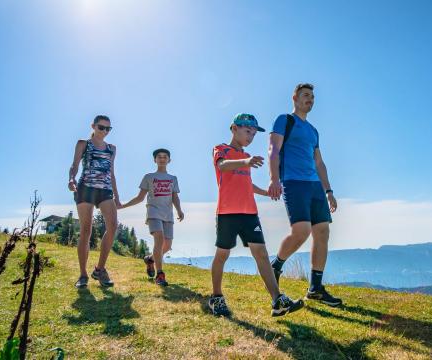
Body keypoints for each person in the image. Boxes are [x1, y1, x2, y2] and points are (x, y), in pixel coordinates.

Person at [208, 113, 305, 317]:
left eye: (253, 133)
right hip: (228, 212)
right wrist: (246, 161)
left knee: (261, 253)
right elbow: (222, 166)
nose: (251, 136)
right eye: (247, 131)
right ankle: (216, 297)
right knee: (222, 255)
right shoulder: (222, 150)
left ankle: (277, 300)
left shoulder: (246, 158)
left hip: (249, 213)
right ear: (234, 128)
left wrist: (266, 192)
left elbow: (246, 184)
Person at [268, 84, 342, 306]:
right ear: (295, 98)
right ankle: (276, 266)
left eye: (312, 97)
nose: (310, 99)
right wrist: (273, 179)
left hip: (315, 186)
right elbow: (273, 150)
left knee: (322, 231)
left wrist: (328, 191)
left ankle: (315, 288)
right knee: (301, 231)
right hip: (293, 182)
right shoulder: (284, 120)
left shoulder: (313, 131)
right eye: (306, 95)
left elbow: (319, 162)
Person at [69, 115, 120, 288]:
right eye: (101, 127)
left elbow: (111, 173)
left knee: (113, 226)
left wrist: (117, 196)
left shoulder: (112, 148)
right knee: (86, 229)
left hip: (105, 190)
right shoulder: (83, 144)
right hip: (86, 188)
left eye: (108, 128)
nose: (104, 131)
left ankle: (100, 269)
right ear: (93, 126)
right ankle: (83, 275)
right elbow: (75, 164)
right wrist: (71, 179)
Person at [120, 148, 184, 286]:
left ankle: (150, 259)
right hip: (153, 212)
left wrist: (179, 210)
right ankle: (160, 275)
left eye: (165, 157)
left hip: (168, 214)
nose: (162, 159)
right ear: (155, 160)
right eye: (159, 157)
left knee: (167, 246)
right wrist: (123, 206)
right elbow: (140, 198)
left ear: (169, 160)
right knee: (159, 240)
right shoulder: (149, 177)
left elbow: (175, 197)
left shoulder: (173, 179)